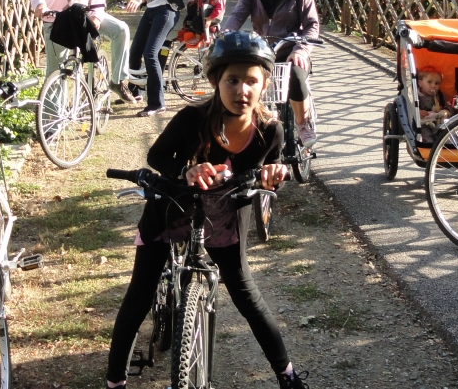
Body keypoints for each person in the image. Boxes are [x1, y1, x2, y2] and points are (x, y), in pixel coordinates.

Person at [104, 31, 308, 389]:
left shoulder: (270, 131)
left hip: (225, 217)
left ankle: (287, 375)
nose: (241, 90)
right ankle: (114, 380)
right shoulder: (191, 119)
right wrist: (186, 170)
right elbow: (156, 157)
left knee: (247, 296)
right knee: (140, 293)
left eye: (251, 81)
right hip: (171, 209)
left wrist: (276, 175)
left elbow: (271, 170)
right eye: (232, 80)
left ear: (263, 85)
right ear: (215, 80)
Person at [223, 0, 321, 143]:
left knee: (295, 74)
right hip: (262, 53)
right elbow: (237, 16)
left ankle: (303, 124)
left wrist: (300, 50)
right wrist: (225, 35)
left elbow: (312, 25)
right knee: (241, 80)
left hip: (291, 51)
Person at [105, 0, 184, 116]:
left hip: (167, 10)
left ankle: (157, 103)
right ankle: (135, 92)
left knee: (150, 53)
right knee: (134, 51)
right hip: (151, 10)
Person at [416, 66, 449, 144]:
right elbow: (409, 108)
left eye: (437, 83)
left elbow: (448, 105)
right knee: (427, 136)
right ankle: (430, 148)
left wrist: (446, 111)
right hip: (423, 123)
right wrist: (418, 112)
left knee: (446, 133)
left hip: (438, 122)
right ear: (420, 83)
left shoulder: (440, 96)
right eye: (429, 82)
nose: (433, 86)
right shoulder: (416, 96)